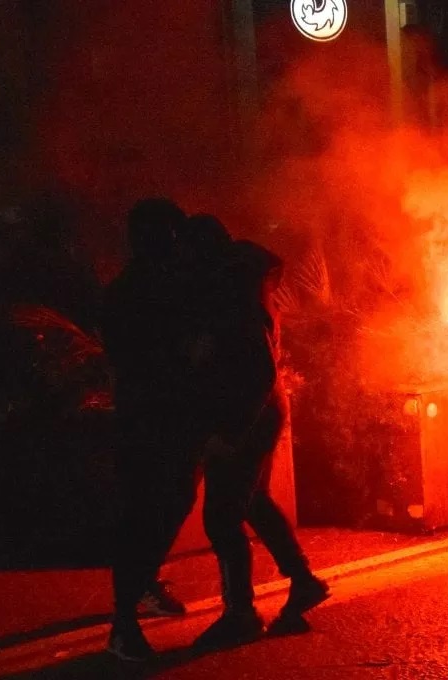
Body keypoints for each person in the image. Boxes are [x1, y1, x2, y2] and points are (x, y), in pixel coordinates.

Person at [177, 216, 329, 650]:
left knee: (222, 516)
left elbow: (257, 371)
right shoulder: (241, 286)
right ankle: (301, 581)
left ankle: (240, 613)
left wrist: (230, 433)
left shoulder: (231, 296)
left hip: (246, 417)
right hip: (258, 413)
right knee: (253, 502)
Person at [103, 198, 200, 661]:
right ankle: (123, 625)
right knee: (143, 515)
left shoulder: (161, 283)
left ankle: (142, 585)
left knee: (172, 503)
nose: (176, 242)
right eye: (170, 233)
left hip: (169, 416)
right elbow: (138, 355)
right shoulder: (134, 291)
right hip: (147, 419)